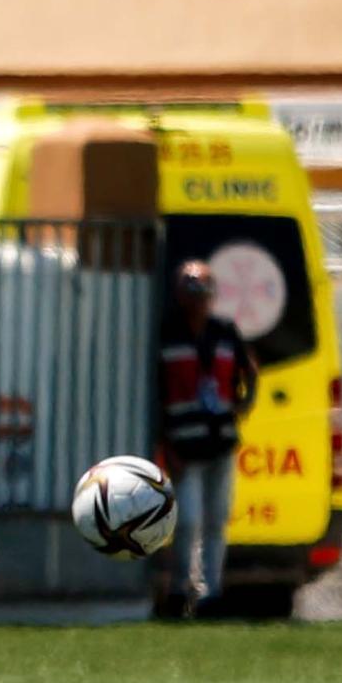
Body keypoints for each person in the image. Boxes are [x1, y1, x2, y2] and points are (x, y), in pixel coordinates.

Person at [155, 259, 258, 618]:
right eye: (191, 292)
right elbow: (158, 397)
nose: (198, 300)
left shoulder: (225, 331)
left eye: (204, 292)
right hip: (186, 445)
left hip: (221, 442)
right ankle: (179, 590)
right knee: (187, 520)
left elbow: (249, 371)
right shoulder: (167, 334)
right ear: (180, 296)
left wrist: (243, 403)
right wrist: (166, 445)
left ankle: (212, 592)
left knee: (217, 519)